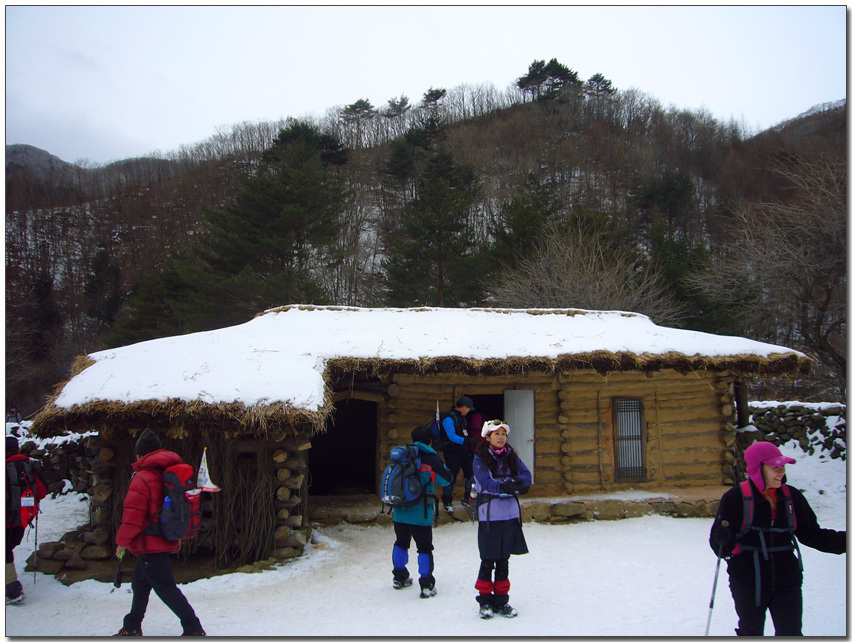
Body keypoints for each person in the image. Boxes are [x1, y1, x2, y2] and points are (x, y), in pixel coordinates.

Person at [709, 441, 846, 636]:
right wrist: (724, 540)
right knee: (750, 633)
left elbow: (813, 535)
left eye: (782, 466)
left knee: (790, 633)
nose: (781, 471)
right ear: (758, 468)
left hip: (786, 577)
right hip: (749, 578)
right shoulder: (736, 498)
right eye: (775, 467)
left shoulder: (792, 497)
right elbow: (718, 546)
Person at [114, 428, 205, 637]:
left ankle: (193, 628)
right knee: (140, 583)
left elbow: (133, 516)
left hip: (150, 544)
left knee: (166, 588)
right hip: (160, 540)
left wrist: (122, 542)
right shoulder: (168, 474)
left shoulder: (142, 478)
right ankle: (132, 626)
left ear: (140, 455)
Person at [472, 420, 532, 619]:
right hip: (490, 515)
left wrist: (517, 484)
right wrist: (508, 486)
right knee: (488, 559)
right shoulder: (480, 458)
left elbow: (526, 475)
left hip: (510, 515)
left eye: (503, 434)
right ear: (487, 437)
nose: (501, 437)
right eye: (496, 434)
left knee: (504, 560)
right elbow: (485, 482)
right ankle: (485, 601)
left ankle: (501, 601)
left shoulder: (511, 456)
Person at [391, 424, 453, 598]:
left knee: (401, 542)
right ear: (430, 441)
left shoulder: (402, 455)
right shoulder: (431, 458)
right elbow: (447, 479)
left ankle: (399, 576)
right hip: (421, 512)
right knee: (424, 548)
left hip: (400, 509)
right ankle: (426, 585)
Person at [6, 435, 47, 605]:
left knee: (5, 552)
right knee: (8, 548)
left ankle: (13, 589)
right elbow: (43, 490)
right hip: (22, 519)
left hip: (6, 519)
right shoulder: (29, 467)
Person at [439, 396, 478, 513]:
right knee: (451, 476)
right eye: (468, 408)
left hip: (464, 451)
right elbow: (451, 436)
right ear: (464, 407)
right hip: (452, 452)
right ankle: (447, 500)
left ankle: (467, 498)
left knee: (471, 474)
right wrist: (467, 441)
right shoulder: (449, 418)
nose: (469, 411)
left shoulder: (462, 418)